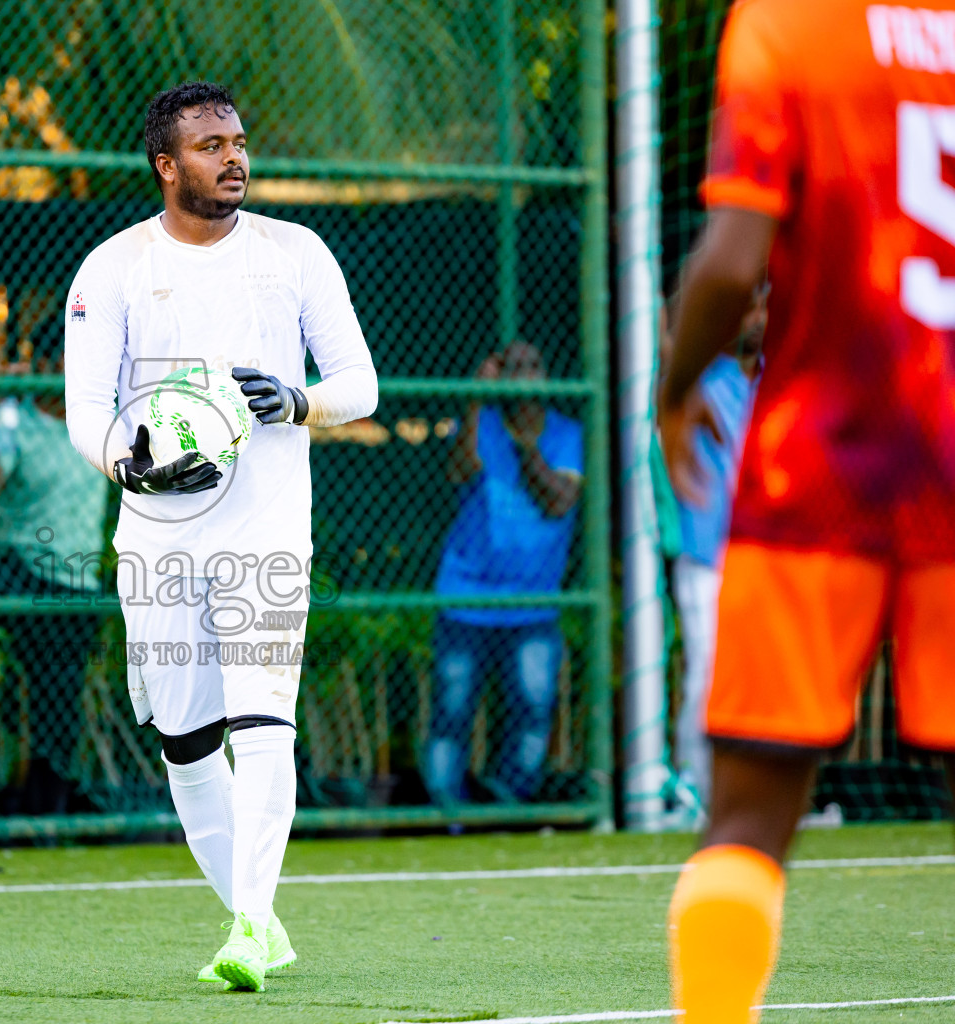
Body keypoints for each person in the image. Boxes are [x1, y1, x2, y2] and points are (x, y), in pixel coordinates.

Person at [657, 3, 955, 1021]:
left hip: (819, 468)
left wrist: (676, 380)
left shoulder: (791, 23)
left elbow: (736, 259)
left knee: (746, 814)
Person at [63, 81, 377, 992]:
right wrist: (131, 464)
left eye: (238, 141)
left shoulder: (297, 254)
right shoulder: (111, 269)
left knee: (265, 724)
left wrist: (302, 401)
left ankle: (246, 931)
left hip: (269, 533)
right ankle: (261, 920)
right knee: (188, 744)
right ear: (167, 165)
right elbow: (86, 411)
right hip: (157, 543)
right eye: (209, 146)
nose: (232, 157)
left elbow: (360, 382)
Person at [426, 341, 583, 805]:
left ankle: (508, 808)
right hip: (466, 599)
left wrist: (526, 447)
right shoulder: (479, 424)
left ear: (547, 376)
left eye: (533, 365)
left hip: (533, 603)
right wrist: (476, 398)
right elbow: (459, 470)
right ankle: (446, 817)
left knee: (532, 711)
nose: (523, 375)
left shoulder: (567, 433)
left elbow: (559, 501)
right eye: (512, 367)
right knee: (451, 713)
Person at [0, 323, 110, 812]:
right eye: (57, 362)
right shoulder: (14, 418)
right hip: (17, 566)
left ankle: (45, 807)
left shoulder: (101, 421)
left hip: (75, 585)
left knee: (59, 699)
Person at [669, 285, 764, 813]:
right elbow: (668, 361)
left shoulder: (788, 379)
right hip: (707, 553)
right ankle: (692, 786)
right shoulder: (702, 379)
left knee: (765, 678)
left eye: (767, 304)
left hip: (769, 555)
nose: (760, 316)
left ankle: (752, 795)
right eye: (749, 305)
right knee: (708, 668)